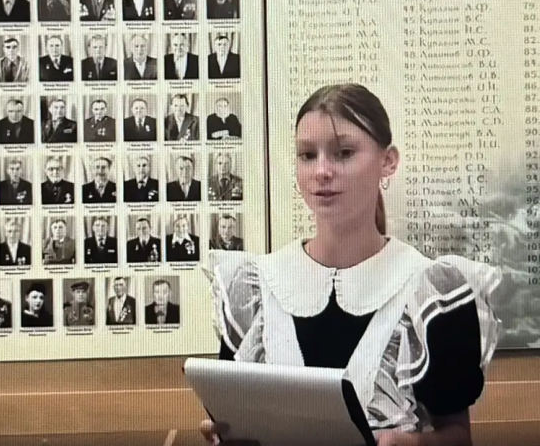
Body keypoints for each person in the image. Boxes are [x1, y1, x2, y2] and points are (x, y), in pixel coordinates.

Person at [198, 83, 499, 446]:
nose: (322, 171)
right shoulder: (253, 288)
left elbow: (458, 435)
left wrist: (413, 444)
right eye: (307, 155)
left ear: (388, 161)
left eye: (343, 153)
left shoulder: (433, 292)